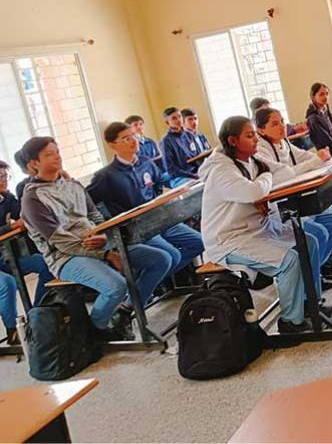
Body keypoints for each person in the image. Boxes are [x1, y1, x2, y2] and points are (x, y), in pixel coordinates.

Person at [21, 136, 172, 340]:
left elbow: (95, 216)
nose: (57, 156)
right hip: (66, 257)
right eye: (49, 154)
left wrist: (102, 235)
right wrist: (106, 254)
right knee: (116, 286)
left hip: (100, 244)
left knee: (161, 259)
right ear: (33, 163)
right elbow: (61, 242)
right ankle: (94, 332)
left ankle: (124, 311)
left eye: (57, 151)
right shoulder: (32, 198)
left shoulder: (73, 185)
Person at [198, 116, 331, 333]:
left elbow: (284, 173)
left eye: (255, 135)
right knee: (289, 260)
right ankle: (291, 322)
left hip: (257, 228)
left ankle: (310, 304)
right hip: (229, 240)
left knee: (309, 242)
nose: (256, 141)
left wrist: (264, 181)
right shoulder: (220, 170)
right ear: (232, 141)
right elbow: (254, 191)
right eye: (249, 136)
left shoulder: (250, 160)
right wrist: (266, 179)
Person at [88, 122, 205, 280]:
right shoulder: (105, 176)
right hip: (138, 229)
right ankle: (149, 280)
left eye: (134, 136)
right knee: (173, 256)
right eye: (126, 138)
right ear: (112, 145)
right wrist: (102, 227)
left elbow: (157, 184)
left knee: (200, 242)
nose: (134, 140)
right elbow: (86, 202)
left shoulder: (146, 162)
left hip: (161, 220)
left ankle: (154, 278)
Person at [254, 107, 332, 280]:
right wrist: (314, 161)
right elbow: (280, 177)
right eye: (275, 124)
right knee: (318, 234)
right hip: (279, 211)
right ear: (261, 130)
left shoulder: (283, 142)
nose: (282, 126)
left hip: (299, 202)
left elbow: (307, 159)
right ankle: (307, 282)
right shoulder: (261, 150)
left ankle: (311, 276)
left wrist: (319, 157)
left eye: (282, 121)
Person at [0, 159, 54, 345]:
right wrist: (11, 226)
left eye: (6, 176)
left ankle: (37, 312)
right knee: (7, 283)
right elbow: (15, 223)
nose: (5, 180)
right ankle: (12, 330)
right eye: (0, 177)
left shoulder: (6, 197)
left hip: (8, 255)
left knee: (46, 262)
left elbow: (22, 214)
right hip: (4, 257)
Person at [161, 106, 203, 187]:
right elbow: (171, 169)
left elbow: (199, 157)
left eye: (179, 116)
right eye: (174, 118)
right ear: (167, 122)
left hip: (196, 171)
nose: (178, 120)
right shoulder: (166, 141)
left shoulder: (189, 135)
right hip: (181, 176)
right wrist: (192, 175)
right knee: (194, 184)